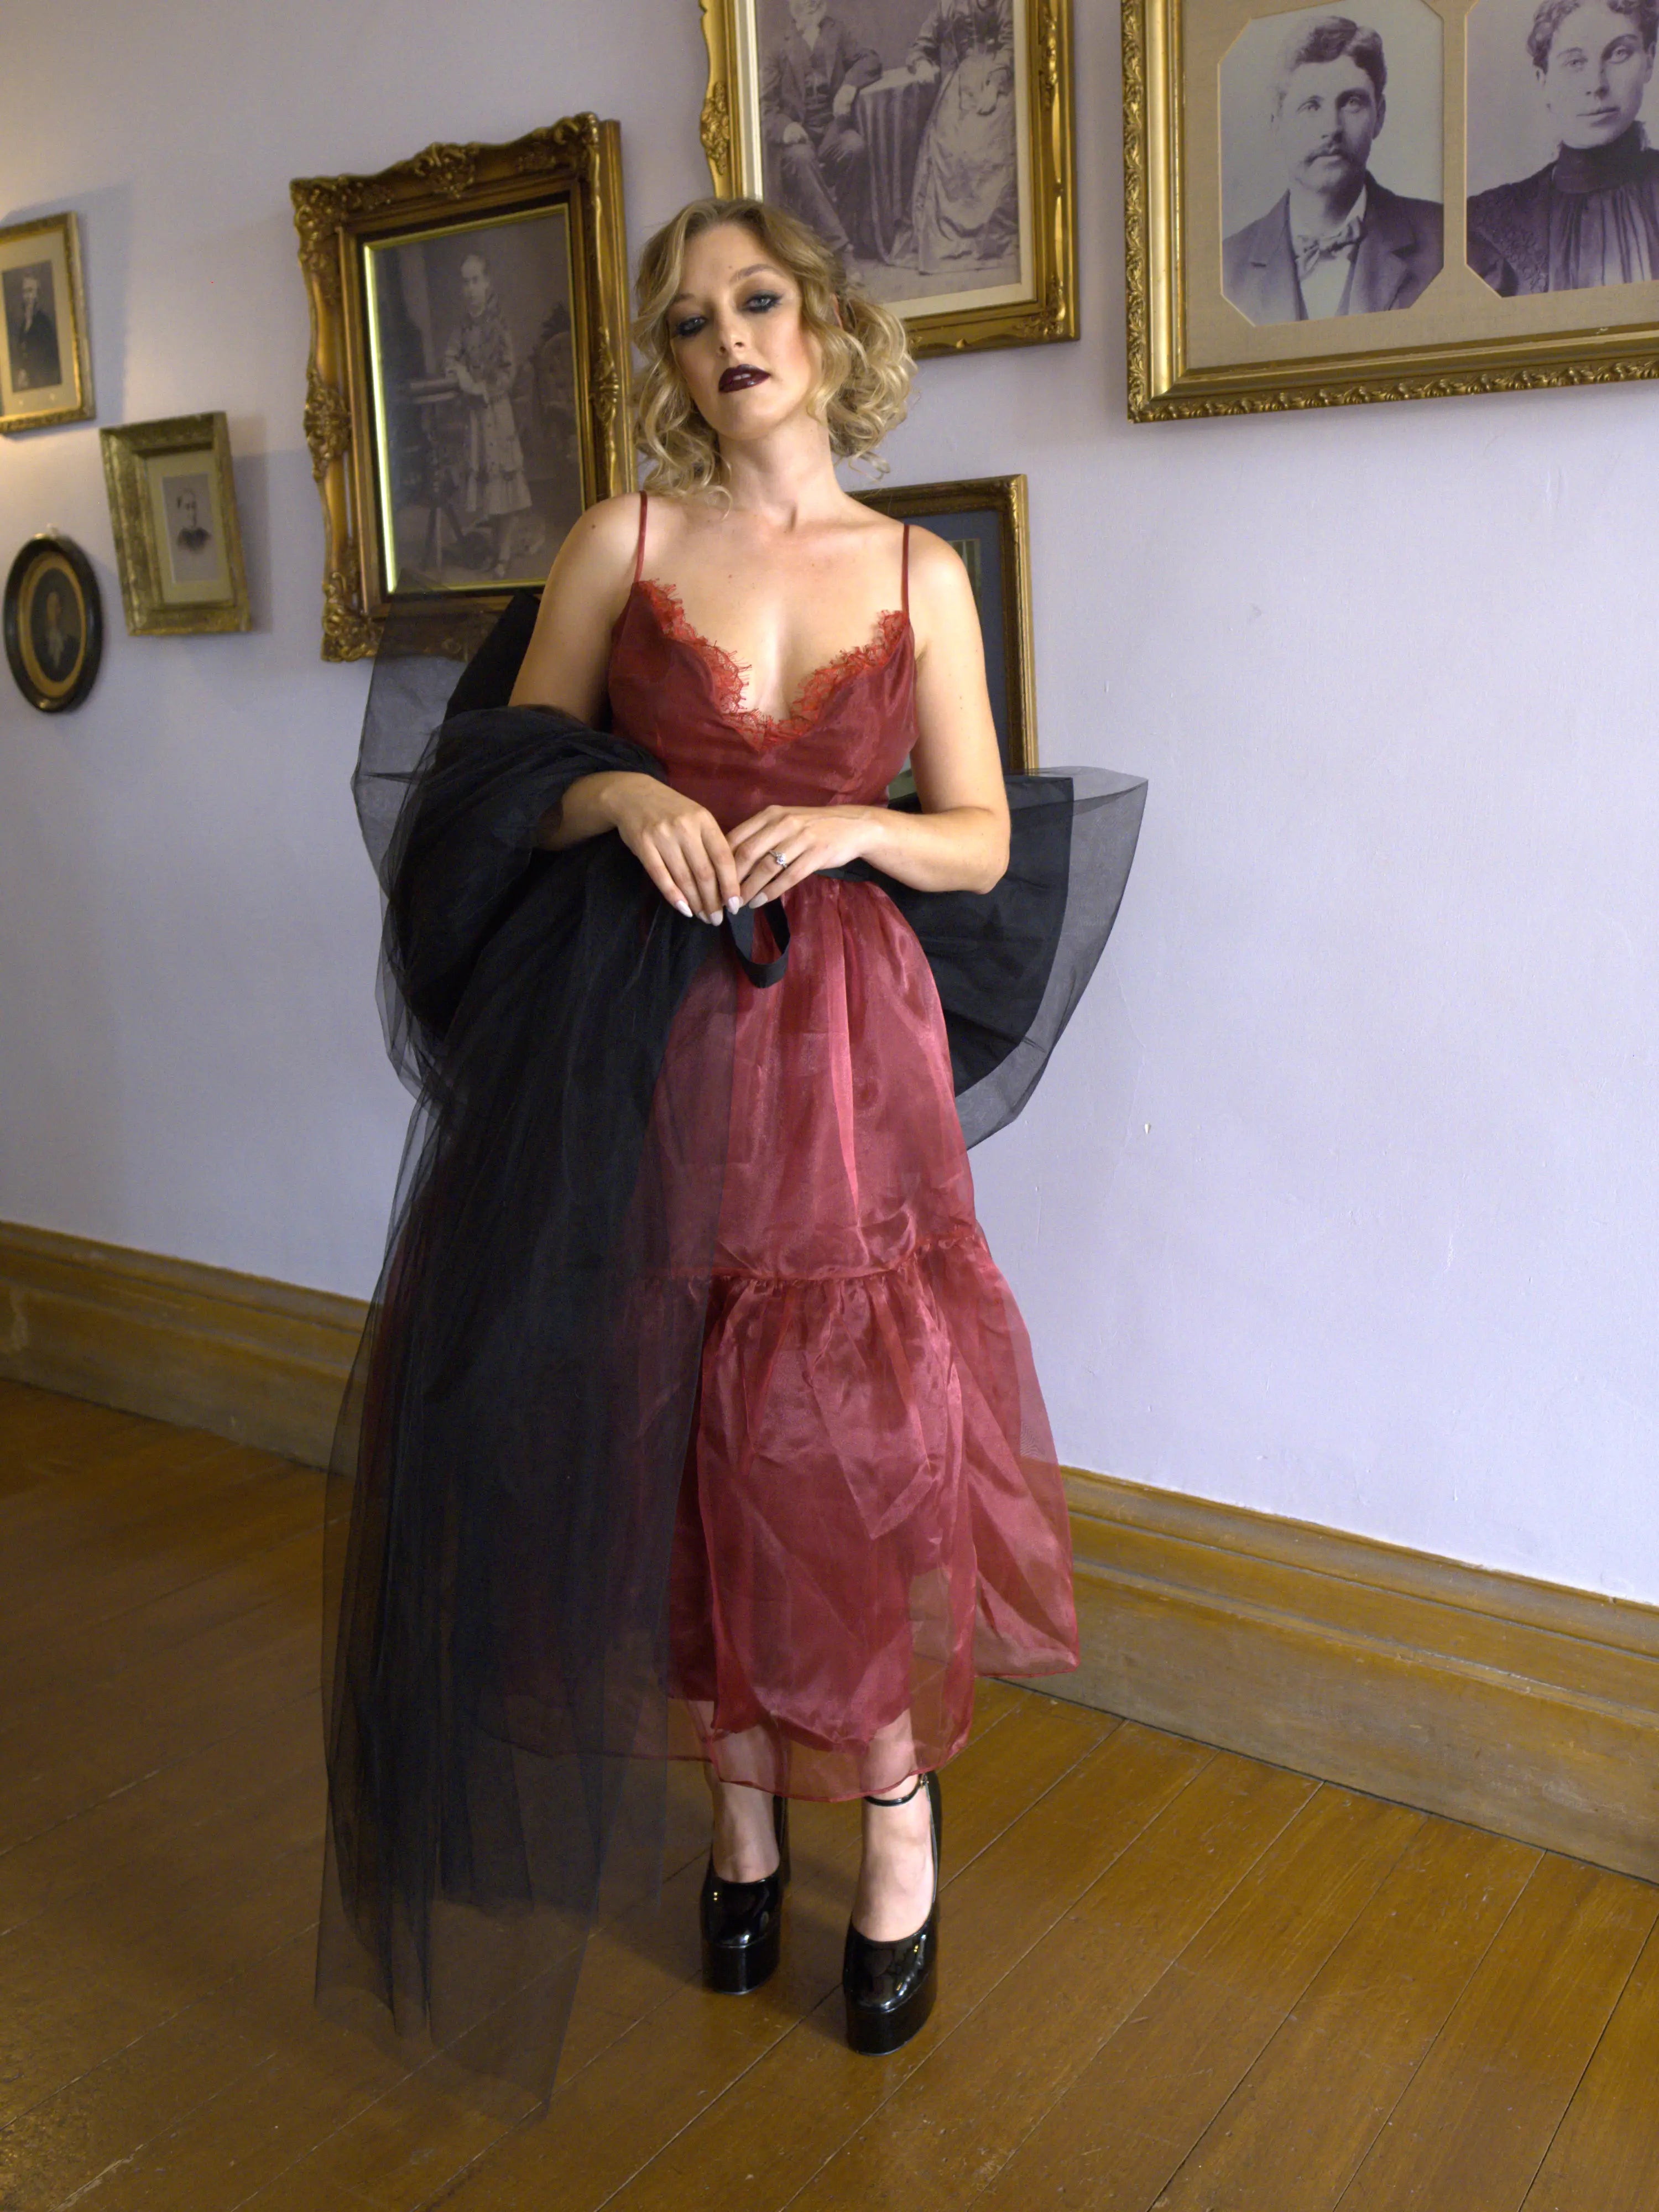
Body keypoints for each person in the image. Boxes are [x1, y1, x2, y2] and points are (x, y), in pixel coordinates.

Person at [320, 195, 1095, 2087]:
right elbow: (489, 787)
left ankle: (893, 1822)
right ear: (669, 365)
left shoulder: (918, 574)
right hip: (635, 1034)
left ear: (821, 329)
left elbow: (986, 836)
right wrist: (613, 791)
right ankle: (742, 1823)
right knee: (657, 1414)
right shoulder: (623, 539)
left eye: (757, 302)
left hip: (840, 1046)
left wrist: (853, 831)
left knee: (838, 1437)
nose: (726, 338)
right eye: (688, 321)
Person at [1222, 14, 1444, 324]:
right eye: (1311, 106)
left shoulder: (1447, 245)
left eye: (1352, 102)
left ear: (1379, 116)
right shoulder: (1225, 268)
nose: (1331, 128)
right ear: (1277, 122)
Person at [1468, 0, 1659, 292]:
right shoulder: (1485, 223)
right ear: (1543, 80)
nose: (1596, 84)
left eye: (1619, 53)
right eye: (1575, 62)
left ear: (1650, 59)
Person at [903, 0, 1020, 277]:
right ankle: (952, 240)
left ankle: (989, 240)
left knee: (991, 140)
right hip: (959, 86)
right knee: (949, 145)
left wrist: (995, 85)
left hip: (998, 80)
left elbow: (1012, 42)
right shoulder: (947, 5)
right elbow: (921, 45)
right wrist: (921, 63)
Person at [761, 0, 881, 258]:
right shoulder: (776, 47)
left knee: (855, 147)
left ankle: (845, 236)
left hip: (832, 130)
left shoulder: (837, 32)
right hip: (799, 137)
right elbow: (763, 105)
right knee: (800, 158)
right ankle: (841, 250)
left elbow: (870, 59)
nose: (811, 3)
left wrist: (849, 86)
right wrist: (786, 128)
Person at [444, 249, 532, 577]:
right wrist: (463, 378)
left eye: (476, 280)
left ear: (487, 282)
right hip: (476, 418)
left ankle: (503, 553)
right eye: (465, 282)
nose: (470, 289)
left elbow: (509, 371)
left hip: (497, 412)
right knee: (487, 487)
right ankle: (497, 548)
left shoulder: (500, 324)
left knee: (503, 485)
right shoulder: (463, 327)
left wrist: (485, 389)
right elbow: (450, 357)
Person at [11, 270, 61, 389]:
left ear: (38, 295)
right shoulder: (24, 326)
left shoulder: (44, 324)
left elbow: (47, 362)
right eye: (25, 292)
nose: (27, 297)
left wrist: (27, 373)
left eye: (30, 291)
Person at [174, 487, 212, 555]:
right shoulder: (180, 544)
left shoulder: (206, 537)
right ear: (180, 512)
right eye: (187, 507)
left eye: (193, 506)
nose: (192, 512)